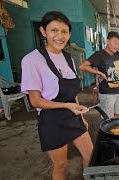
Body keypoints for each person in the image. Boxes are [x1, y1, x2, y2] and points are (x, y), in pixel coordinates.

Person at [21, 11, 93, 180]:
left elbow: (71, 92)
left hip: (73, 115)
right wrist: (67, 106)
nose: (60, 36)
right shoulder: (32, 60)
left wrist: (81, 118)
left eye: (64, 31)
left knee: (91, 155)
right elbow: (35, 101)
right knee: (61, 165)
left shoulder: (69, 59)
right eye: (54, 30)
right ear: (43, 31)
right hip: (51, 119)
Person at [79, 31, 119, 119]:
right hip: (107, 93)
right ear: (107, 41)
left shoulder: (117, 54)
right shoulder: (99, 55)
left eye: (118, 44)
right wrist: (100, 73)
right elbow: (82, 66)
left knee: (116, 116)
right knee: (107, 119)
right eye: (114, 43)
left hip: (118, 90)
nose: (117, 46)